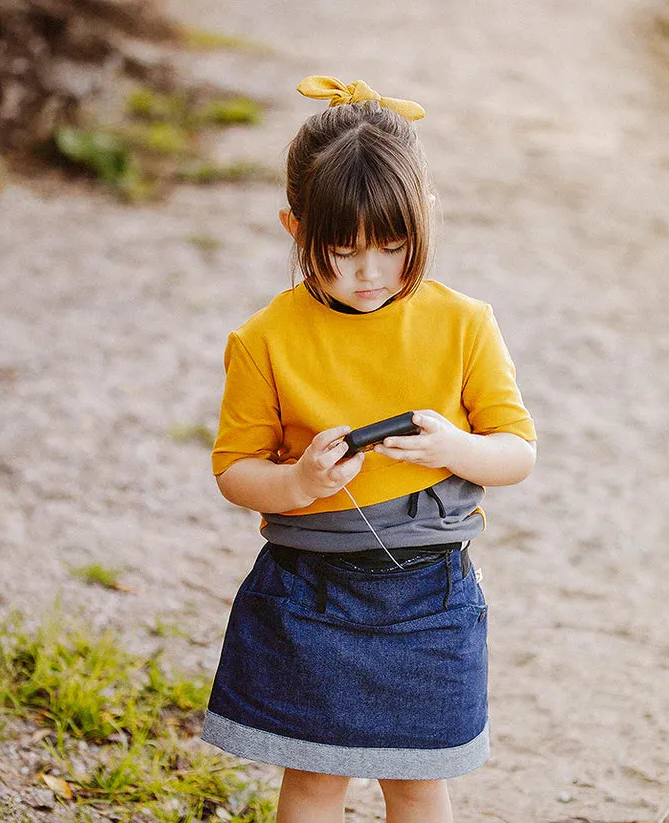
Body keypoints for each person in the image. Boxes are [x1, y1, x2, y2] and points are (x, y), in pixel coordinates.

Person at [200, 75, 537, 823]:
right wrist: (297, 482)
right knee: (315, 778)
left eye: (393, 246)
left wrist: (455, 446)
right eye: (342, 250)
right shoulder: (264, 339)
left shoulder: (464, 323)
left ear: (426, 221)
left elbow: (516, 452)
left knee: (417, 781)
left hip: (430, 592)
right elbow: (234, 470)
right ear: (295, 229)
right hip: (307, 587)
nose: (369, 273)